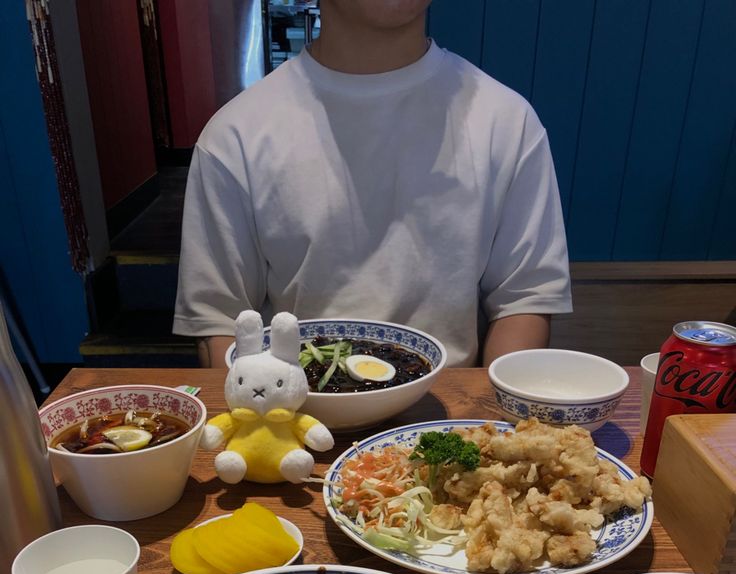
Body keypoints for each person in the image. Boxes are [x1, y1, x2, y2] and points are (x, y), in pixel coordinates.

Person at [173, 0, 572, 369]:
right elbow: (219, 318)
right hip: (295, 419)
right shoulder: (235, 135)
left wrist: (489, 427)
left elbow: (524, 298)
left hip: (449, 423)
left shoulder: (507, 121)